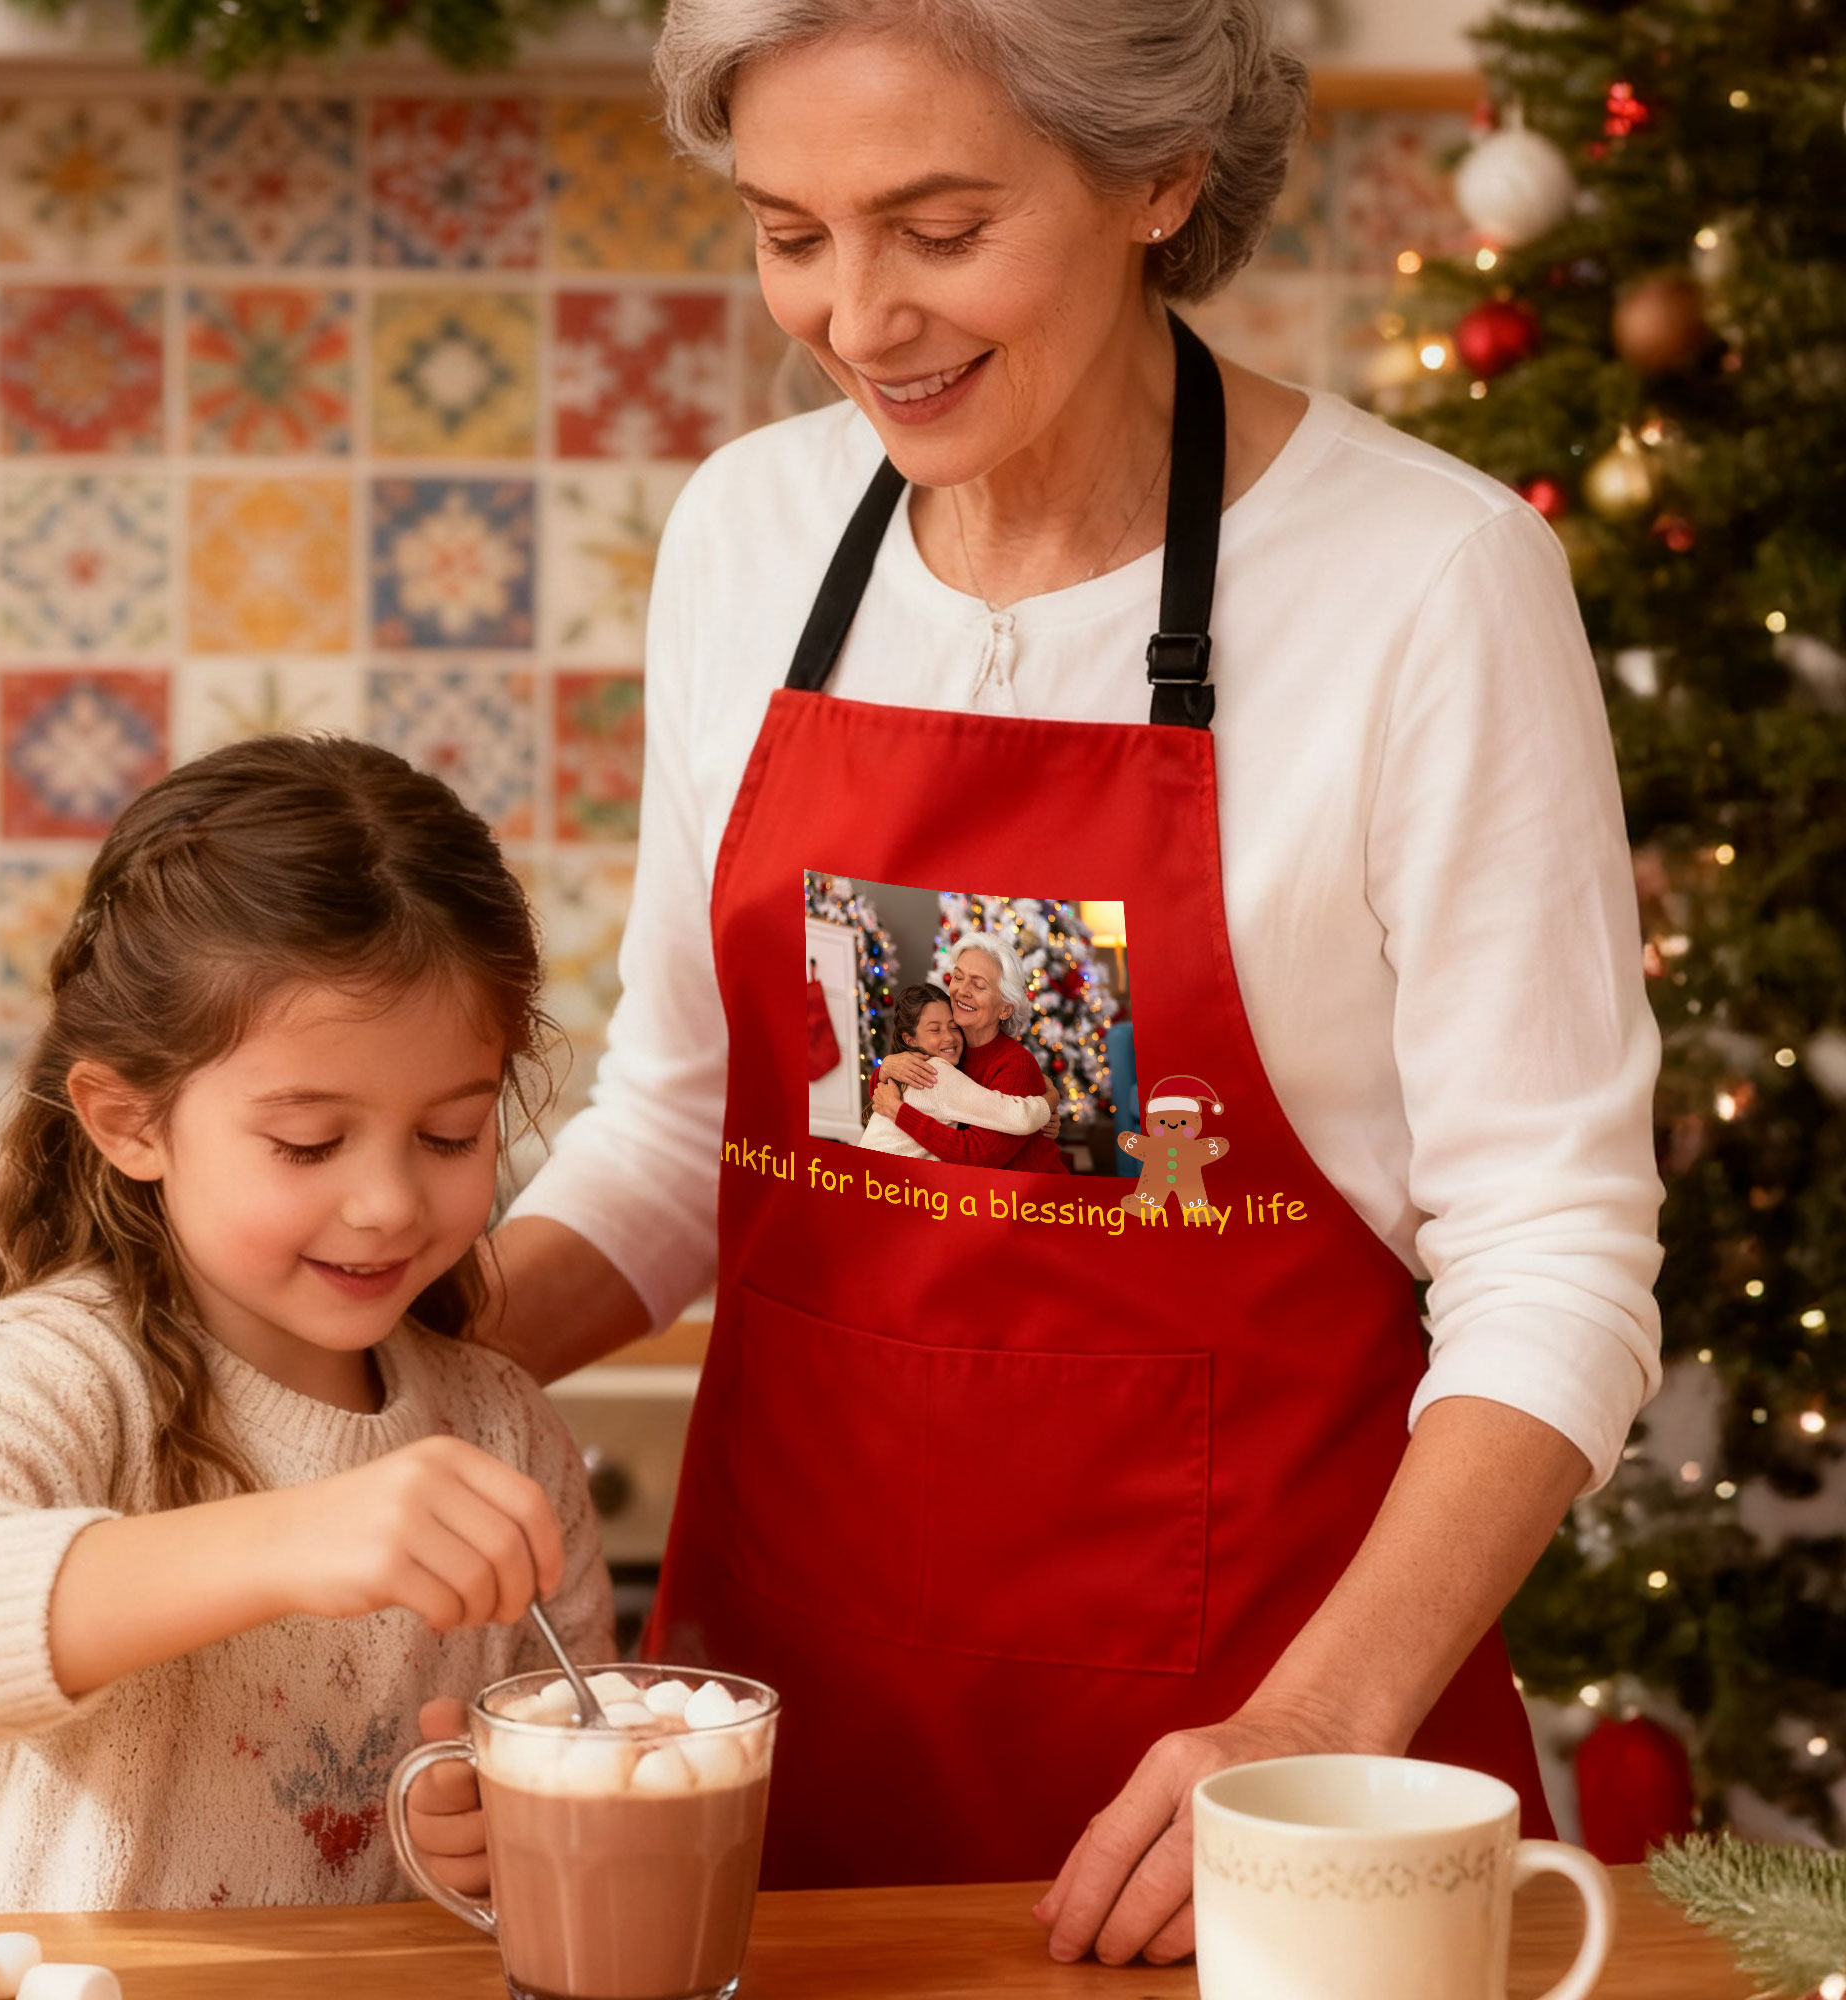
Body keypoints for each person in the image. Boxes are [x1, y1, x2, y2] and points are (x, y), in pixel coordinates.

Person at [475, 0, 1663, 1969]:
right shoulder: (747, 539)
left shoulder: (1424, 583)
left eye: (939, 231)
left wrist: (1313, 1728)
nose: (856, 319)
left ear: (1155, 177)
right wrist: (349, 1366)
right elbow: (684, 1128)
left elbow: (1554, 1257)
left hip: (1268, 1781)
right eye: (790, 232)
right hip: (773, 1739)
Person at [0, 736, 611, 1915]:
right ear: (131, 1120)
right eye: (308, 1142)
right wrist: (276, 1540)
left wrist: (488, 1839)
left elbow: (565, 1782)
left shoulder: (501, 1431)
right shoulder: (59, 1369)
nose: (389, 1201)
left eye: (452, 1132)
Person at [873, 936, 1070, 1171]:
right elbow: (889, 1092)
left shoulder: (1016, 1064)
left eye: (978, 985)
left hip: (1031, 1198)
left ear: (1006, 1009)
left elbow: (981, 1154)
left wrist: (898, 1111)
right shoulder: (949, 1050)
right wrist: (887, 1067)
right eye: (958, 977)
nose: (962, 991)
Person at [859, 979, 1057, 1160]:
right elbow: (1020, 1118)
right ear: (910, 1040)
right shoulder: (936, 1073)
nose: (949, 1038)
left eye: (954, 1027)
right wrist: (1052, 1097)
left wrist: (885, 1070)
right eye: (935, 1030)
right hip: (882, 1187)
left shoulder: (910, 1069)